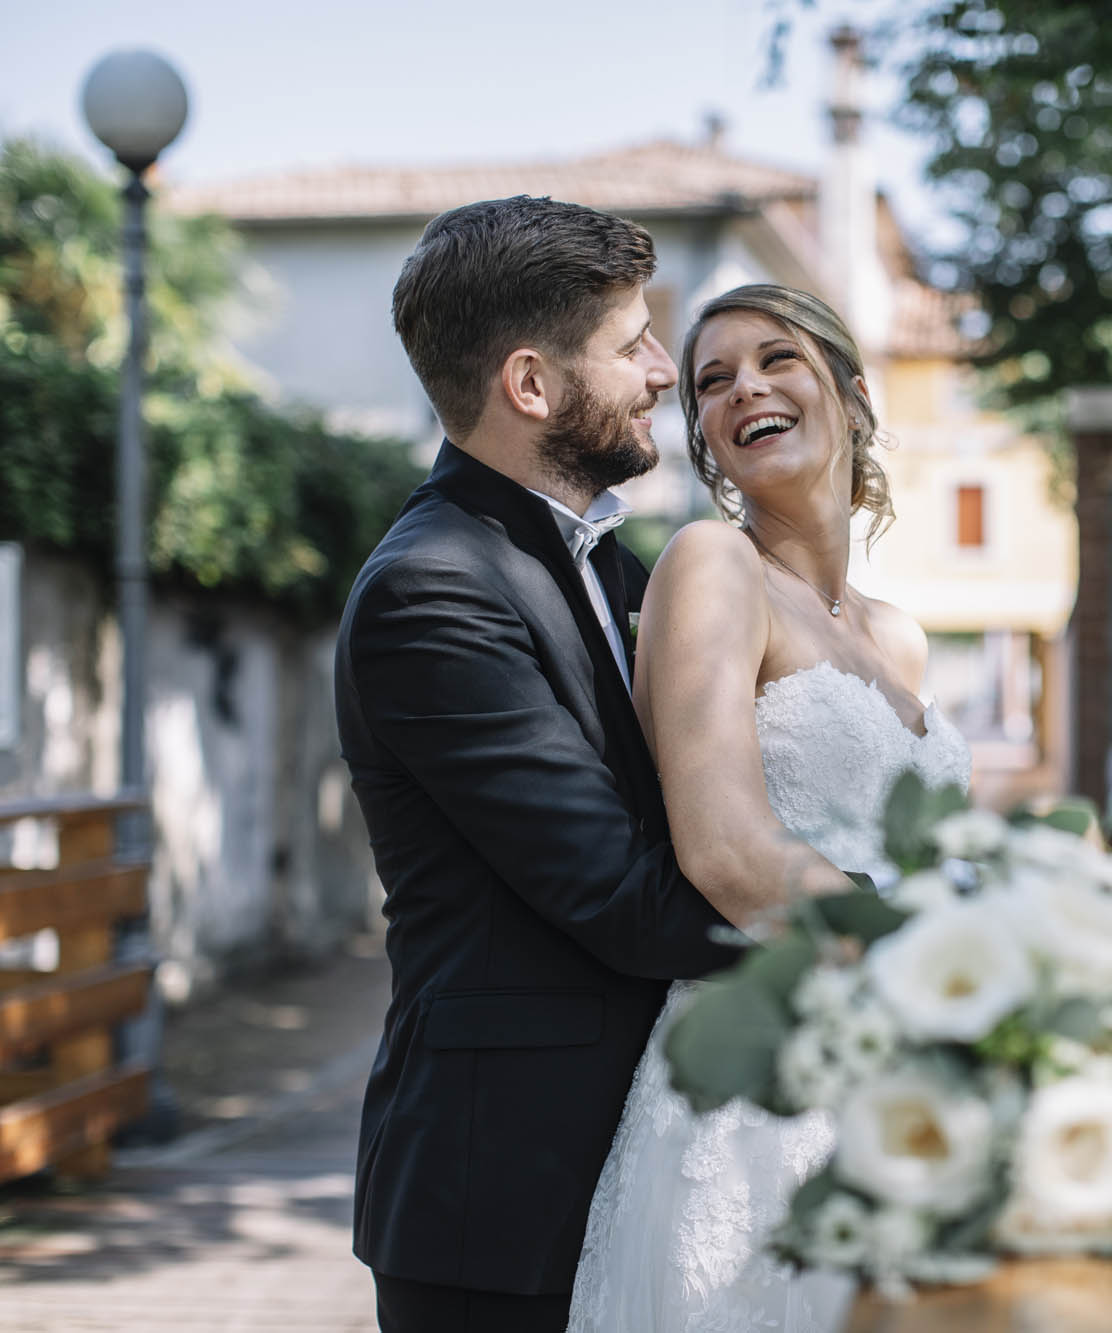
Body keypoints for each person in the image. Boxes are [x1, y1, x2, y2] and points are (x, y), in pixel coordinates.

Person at [334, 196, 761, 1333]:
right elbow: (619, 895)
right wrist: (883, 931)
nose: (663, 372)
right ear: (530, 383)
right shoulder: (431, 590)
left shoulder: (615, 567)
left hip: (651, 1169)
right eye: (634, 344)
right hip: (503, 1200)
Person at [566, 284, 973, 1331]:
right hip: (768, 1088)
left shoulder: (900, 636)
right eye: (712, 380)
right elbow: (725, 851)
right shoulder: (714, 565)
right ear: (706, 437)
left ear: (851, 392)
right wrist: (941, 963)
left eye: (775, 358)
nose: (744, 386)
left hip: (905, 1071)